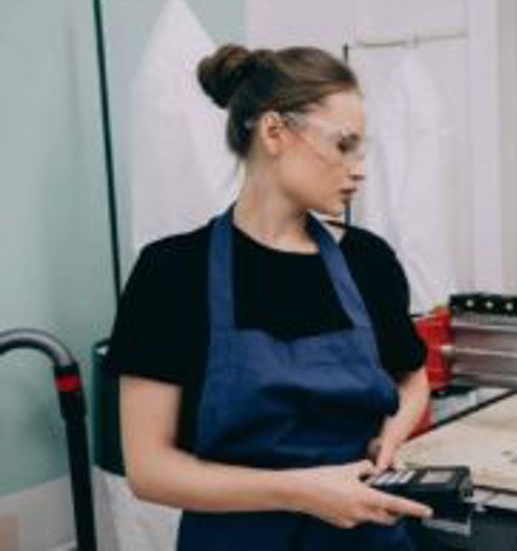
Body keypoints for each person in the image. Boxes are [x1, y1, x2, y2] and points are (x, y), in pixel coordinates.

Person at [104, 43, 433, 550]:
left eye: (362, 149)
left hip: (364, 535)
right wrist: (303, 492)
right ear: (275, 131)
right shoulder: (172, 273)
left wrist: (389, 440)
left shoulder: (368, 261)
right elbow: (150, 470)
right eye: (344, 145)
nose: (360, 169)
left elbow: (412, 380)